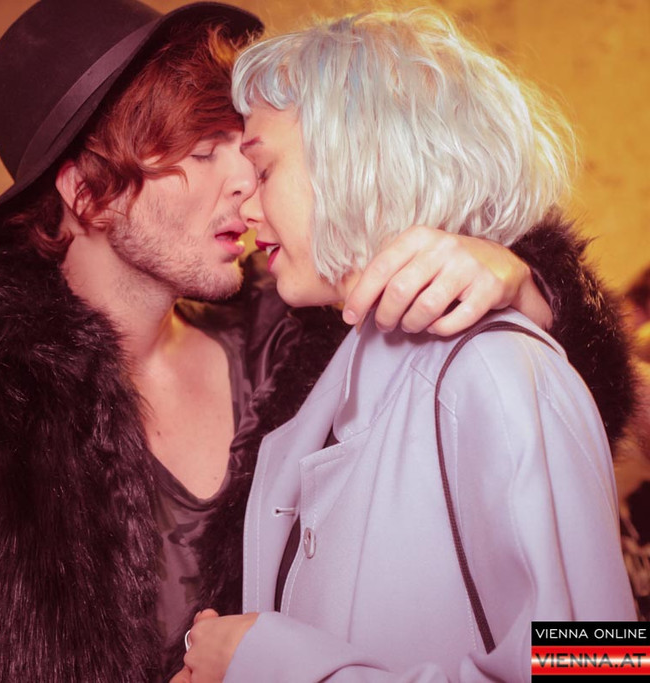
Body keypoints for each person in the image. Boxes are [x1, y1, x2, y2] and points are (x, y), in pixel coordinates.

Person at [0, 1, 634, 680]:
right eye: (204, 150)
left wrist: (524, 277)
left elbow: (587, 596)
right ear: (85, 190)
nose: (242, 185)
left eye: (249, 151)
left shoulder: (309, 341)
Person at [178, 9, 636, 681]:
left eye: (265, 170)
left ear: (359, 159)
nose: (246, 208)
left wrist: (271, 665)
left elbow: (600, 664)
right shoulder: (337, 383)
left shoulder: (497, 372)